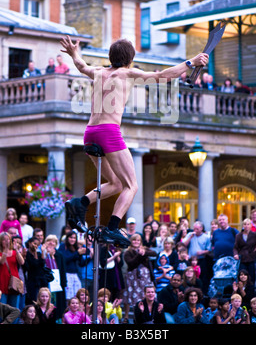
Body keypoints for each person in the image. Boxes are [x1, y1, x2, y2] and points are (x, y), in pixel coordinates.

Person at [61, 36, 208, 245]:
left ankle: (80, 202)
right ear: (130, 59)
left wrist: (74, 52)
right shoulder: (128, 73)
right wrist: (191, 62)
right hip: (108, 132)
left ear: (111, 57)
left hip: (90, 132)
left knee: (115, 183)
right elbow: (163, 76)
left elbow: (81, 65)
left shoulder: (99, 72)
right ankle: (112, 227)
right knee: (132, 185)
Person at [122, 233, 157, 323]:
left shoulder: (144, 249)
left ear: (141, 241)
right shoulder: (127, 252)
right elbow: (131, 263)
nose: (136, 242)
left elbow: (154, 254)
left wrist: (144, 252)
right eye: (134, 240)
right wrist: (139, 254)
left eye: (138, 240)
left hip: (145, 277)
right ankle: (129, 317)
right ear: (131, 241)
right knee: (132, 297)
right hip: (132, 278)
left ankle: (144, 316)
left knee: (144, 296)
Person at [0, 232, 25, 308]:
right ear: (0, 241)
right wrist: (6, 250)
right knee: (2, 308)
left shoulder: (14, 252)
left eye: (8, 240)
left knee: (14, 308)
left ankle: (14, 320)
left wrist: (17, 250)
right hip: (2, 282)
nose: (6, 241)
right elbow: (1, 261)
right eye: (4, 240)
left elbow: (22, 262)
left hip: (14, 283)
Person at [182, 220, 211, 292]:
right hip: (191, 260)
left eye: (197, 229)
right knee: (190, 276)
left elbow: (209, 250)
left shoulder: (206, 237)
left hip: (201, 260)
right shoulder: (190, 234)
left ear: (201, 228)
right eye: (194, 229)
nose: (195, 230)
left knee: (202, 277)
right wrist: (190, 237)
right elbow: (183, 245)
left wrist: (202, 252)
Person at [44, 234, 67, 319]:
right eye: (49, 240)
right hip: (46, 283)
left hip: (57, 283)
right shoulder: (42, 253)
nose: (51, 243)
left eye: (53, 241)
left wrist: (64, 283)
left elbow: (63, 269)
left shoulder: (59, 255)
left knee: (58, 303)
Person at [58, 230, 84, 303]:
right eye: (71, 237)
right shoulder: (63, 246)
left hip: (75, 274)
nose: (72, 239)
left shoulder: (76, 248)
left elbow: (81, 263)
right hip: (67, 274)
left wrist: (83, 254)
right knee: (68, 297)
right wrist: (77, 253)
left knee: (77, 296)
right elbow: (65, 259)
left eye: (74, 238)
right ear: (67, 238)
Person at [24, 236, 49, 305]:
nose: (36, 246)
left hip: (41, 279)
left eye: (37, 245)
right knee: (33, 299)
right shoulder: (27, 254)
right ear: (29, 243)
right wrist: (35, 252)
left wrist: (43, 251)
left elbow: (42, 263)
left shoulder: (39, 254)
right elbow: (34, 264)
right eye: (34, 243)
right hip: (32, 280)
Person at [233, 218, 256, 284]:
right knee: (241, 276)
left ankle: (252, 291)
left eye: (248, 224)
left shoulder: (255, 235)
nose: (246, 226)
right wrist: (235, 254)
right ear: (243, 226)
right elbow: (235, 247)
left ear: (251, 225)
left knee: (252, 277)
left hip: (251, 259)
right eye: (245, 224)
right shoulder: (238, 236)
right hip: (242, 259)